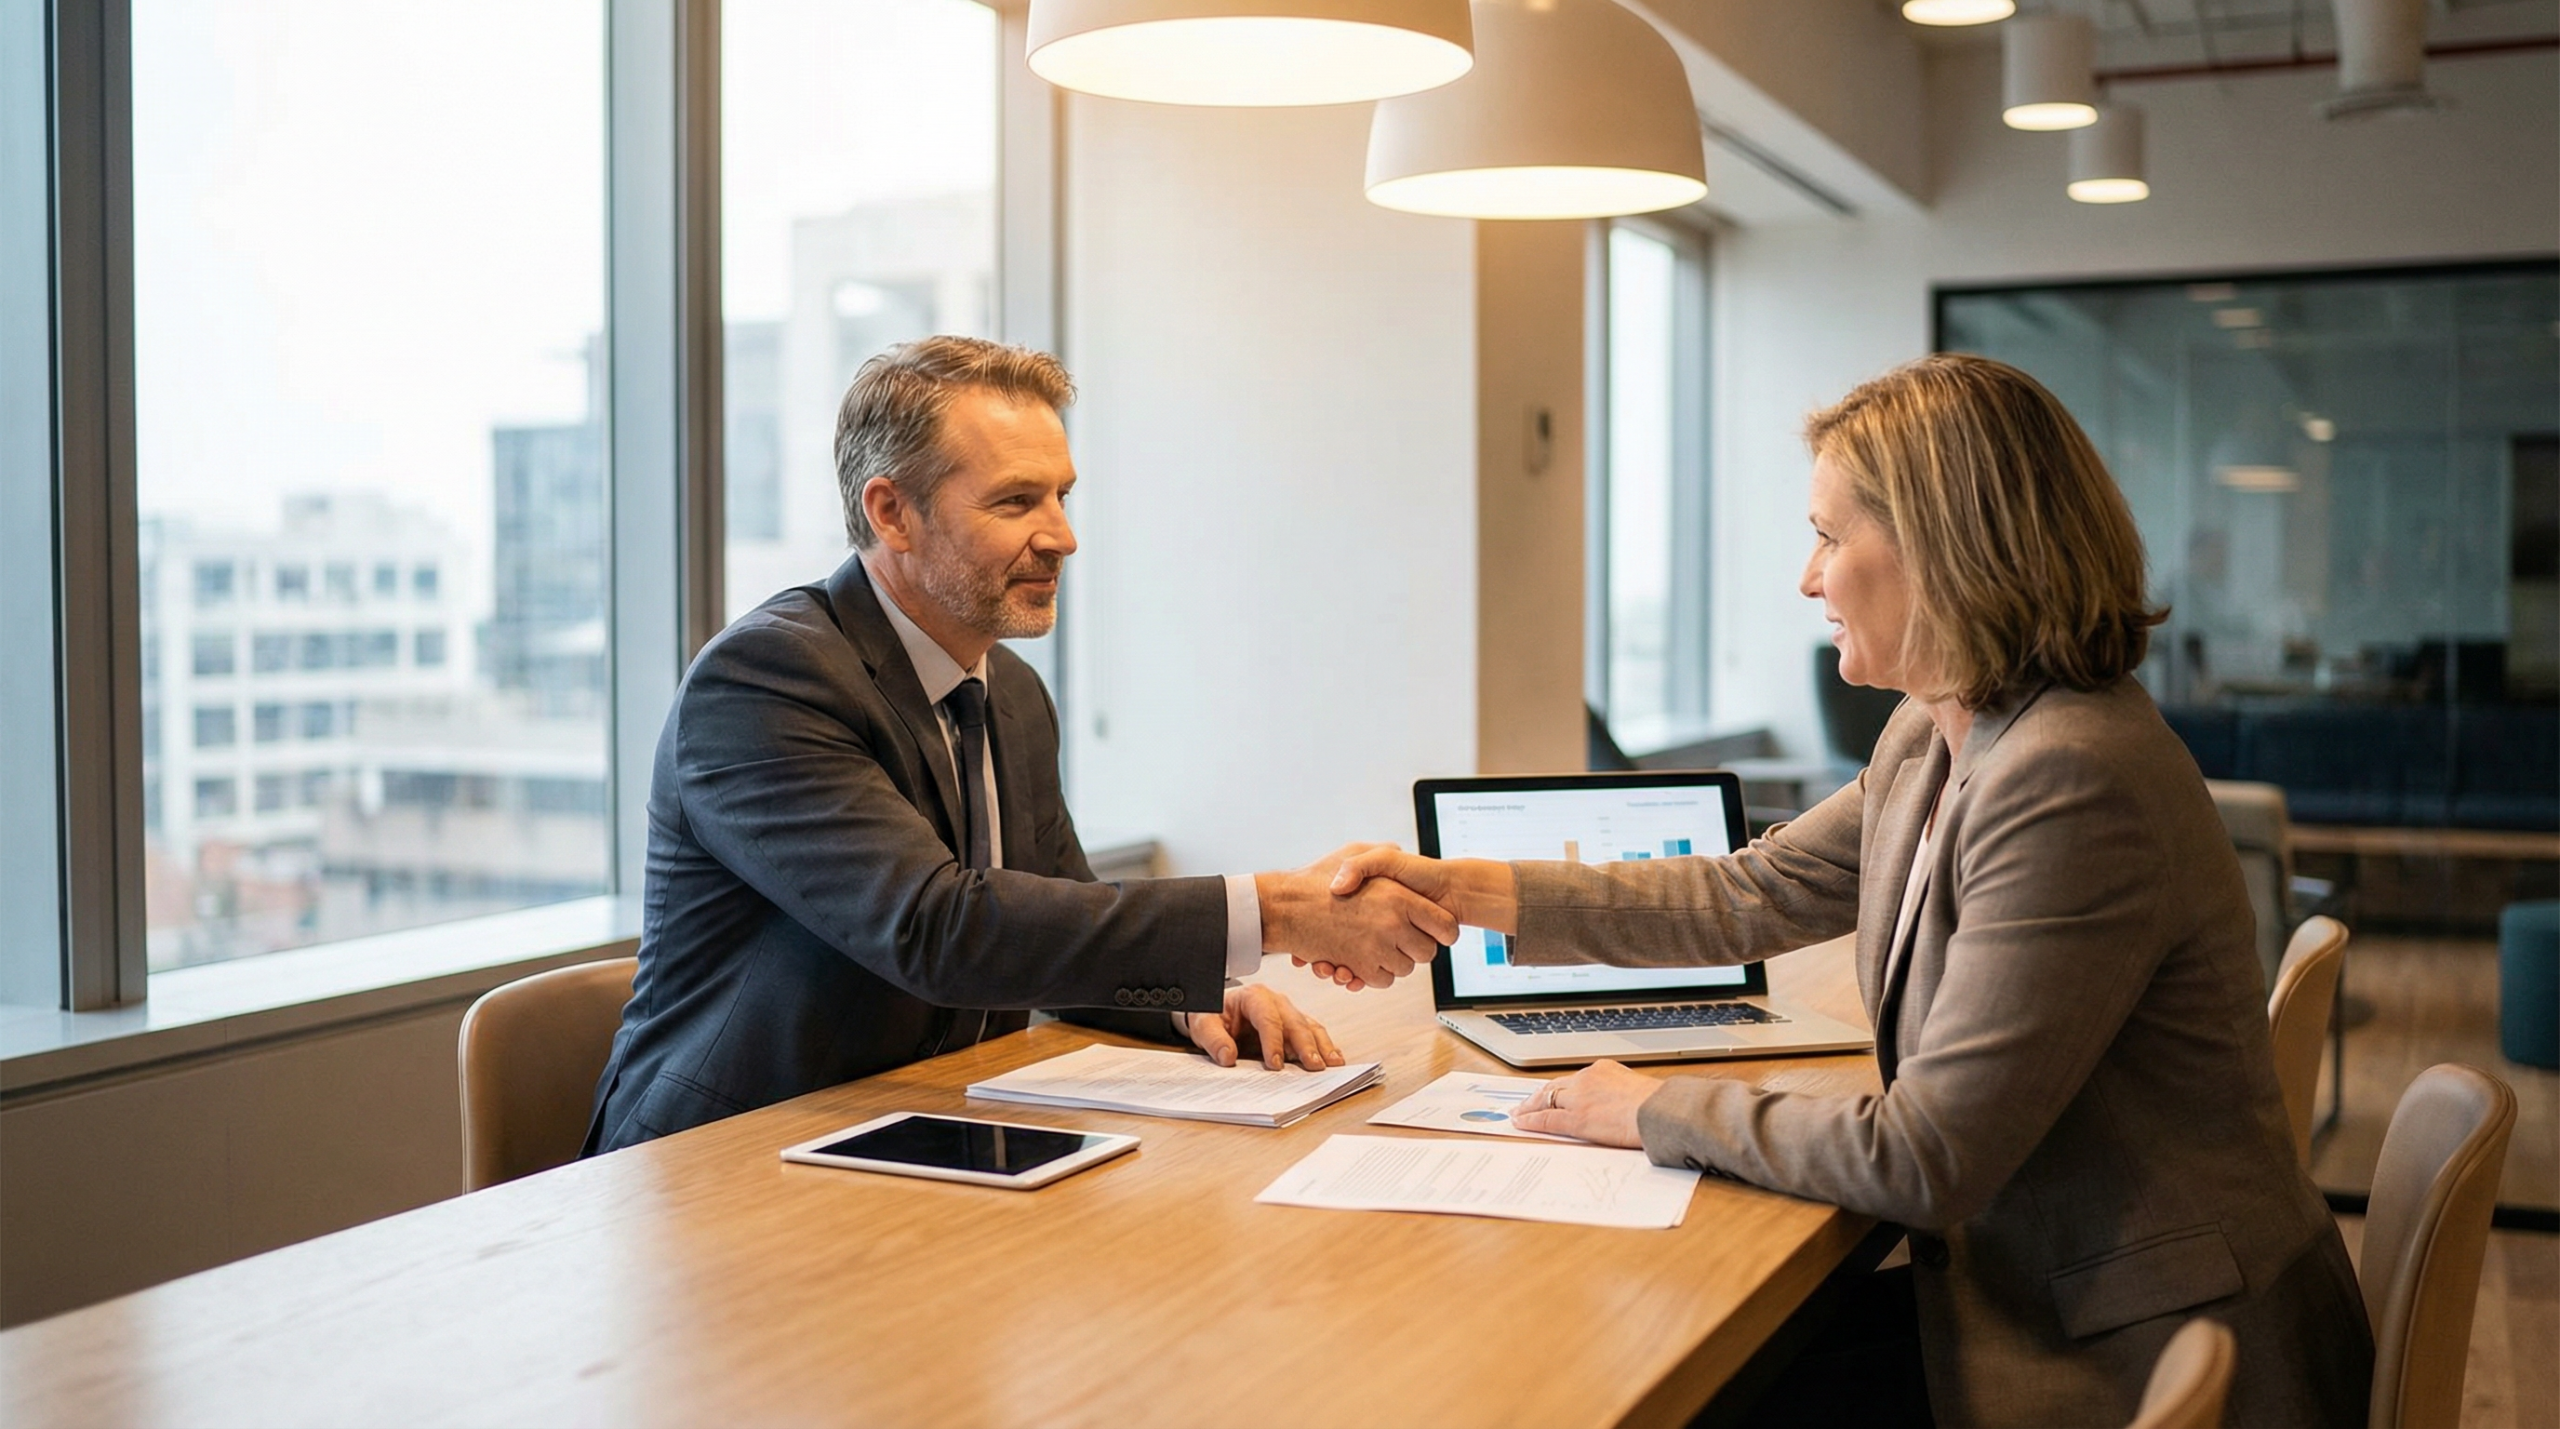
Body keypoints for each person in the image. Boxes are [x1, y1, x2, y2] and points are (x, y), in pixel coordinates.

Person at [1325, 355, 2371, 1427]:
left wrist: (1652, 1108)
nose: (1807, 576)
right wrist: (1459, 889)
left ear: (1941, 544)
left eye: (1828, 534)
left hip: (2139, 1347)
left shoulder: (2069, 775)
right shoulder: (1935, 731)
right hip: (2054, 1284)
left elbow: (1926, 1159)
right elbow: (1748, 890)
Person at [585, 336, 1451, 1154]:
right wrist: (1279, 908)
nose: (1062, 535)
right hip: (731, 1160)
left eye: (1062, 495)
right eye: (1015, 500)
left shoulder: (1013, 693)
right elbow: (938, 928)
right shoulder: (766, 679)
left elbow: (1051, 927)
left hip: (923, 1126)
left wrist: (1194, 1004)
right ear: (892, 511)